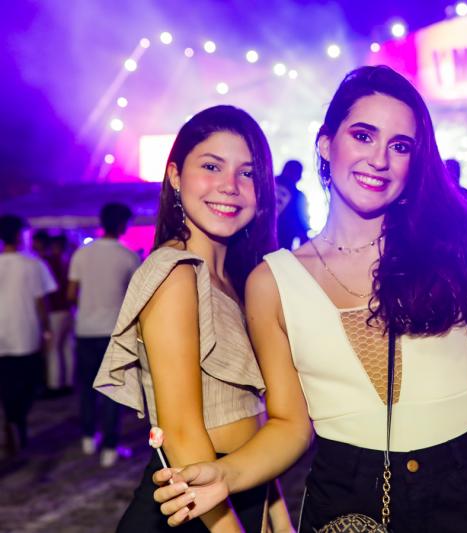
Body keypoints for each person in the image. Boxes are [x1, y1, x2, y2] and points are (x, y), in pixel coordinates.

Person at [153, 66, 467, 533]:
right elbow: (290, 425)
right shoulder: (272, 282)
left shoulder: (455, 253)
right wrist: (228, 474)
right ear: (326, 144)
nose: (379, 159)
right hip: (348, 504)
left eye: (400, 146)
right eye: (363, 136)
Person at [93, 105, 293, 533]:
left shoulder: (234, 279)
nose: (229, 186)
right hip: (195, 507)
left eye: (247, 172)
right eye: (211, 166)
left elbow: (254, 415)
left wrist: (277, 515)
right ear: (175, 176)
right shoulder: (175, 274)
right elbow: (182, 433)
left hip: (237, 491)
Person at [68, 202, 141, 467]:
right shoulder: (128, 256)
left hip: (85, 330)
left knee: (87, 388)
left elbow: (71, 294)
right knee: (113, 390)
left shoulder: (81, 254)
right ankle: (110, 447)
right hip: (115, 333)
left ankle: (88, 437)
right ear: (123, 224)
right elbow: (136, 298)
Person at [0, 215, 56, 455]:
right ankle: (17, 421)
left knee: (6, 384)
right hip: (26, 333)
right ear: (19, 235)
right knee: (28, 383)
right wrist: (47, 329)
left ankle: (11, 421)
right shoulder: (33, 264)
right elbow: (41, 301)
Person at [44, 233, 75, 396]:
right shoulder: (69, 261)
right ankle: (69, 382)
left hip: (55, 310)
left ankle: (55, 385)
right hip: (69, 310)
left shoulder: (49, 262)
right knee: (67, 348)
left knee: (53, 350)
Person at [275, 160, 310, 250]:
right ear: (299, 176)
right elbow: (302, 225)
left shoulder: (267, 184)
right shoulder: (298, 196)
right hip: (282, 246)